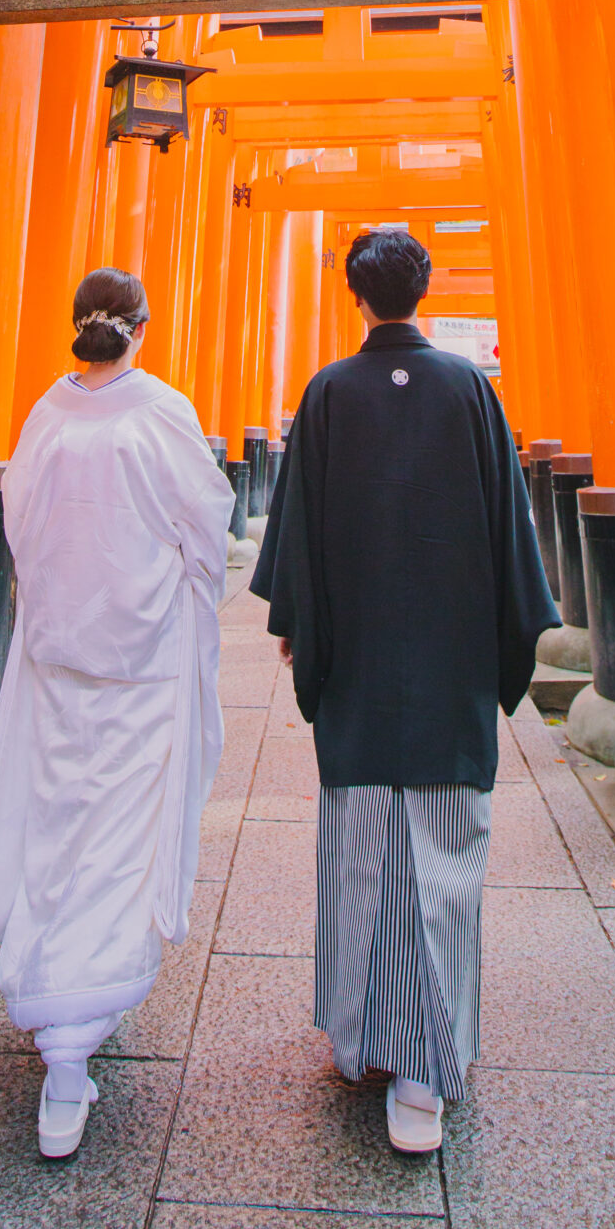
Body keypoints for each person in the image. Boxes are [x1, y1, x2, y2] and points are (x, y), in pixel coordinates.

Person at [250, 226, 556, 1153]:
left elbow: (295, 535)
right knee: (442, 856)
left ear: (355, 295)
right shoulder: (470, 391)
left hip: (360, 665)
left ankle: (373, 1042)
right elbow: (511, 537)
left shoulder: (328, 393)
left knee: (359, 848)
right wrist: (505, 646)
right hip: (451, 663)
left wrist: (301, 628)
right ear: (420, 291)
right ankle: (425, 1058)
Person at [0, 266, 234, 1159]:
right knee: (118, 837)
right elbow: (205, 529)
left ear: (79, 326)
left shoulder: (44, 418)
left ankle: (55, 1004)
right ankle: (71, 1043)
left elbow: (20, 532)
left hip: (59, 657)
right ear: (140, 329)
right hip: (140, 665)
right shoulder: (163, 415)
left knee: (59, 825)